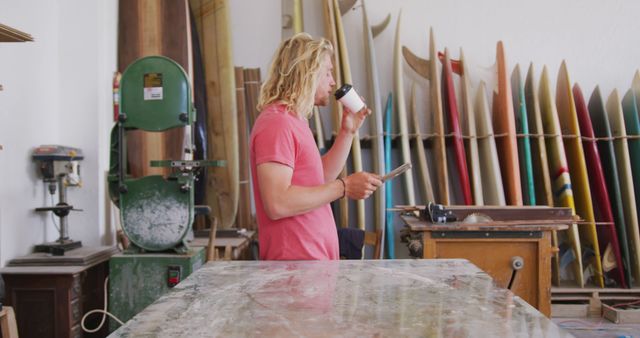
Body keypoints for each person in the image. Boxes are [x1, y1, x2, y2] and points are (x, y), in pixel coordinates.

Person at [249, 33, 382, 260]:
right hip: (294, 269)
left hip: (310, 266)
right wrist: (344, 187)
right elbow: (277, 203)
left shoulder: (295, 120)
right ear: (307, 73)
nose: (333, 81)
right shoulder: (277, 123)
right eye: (328, 72)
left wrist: (347, 132)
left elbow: (319, 178)